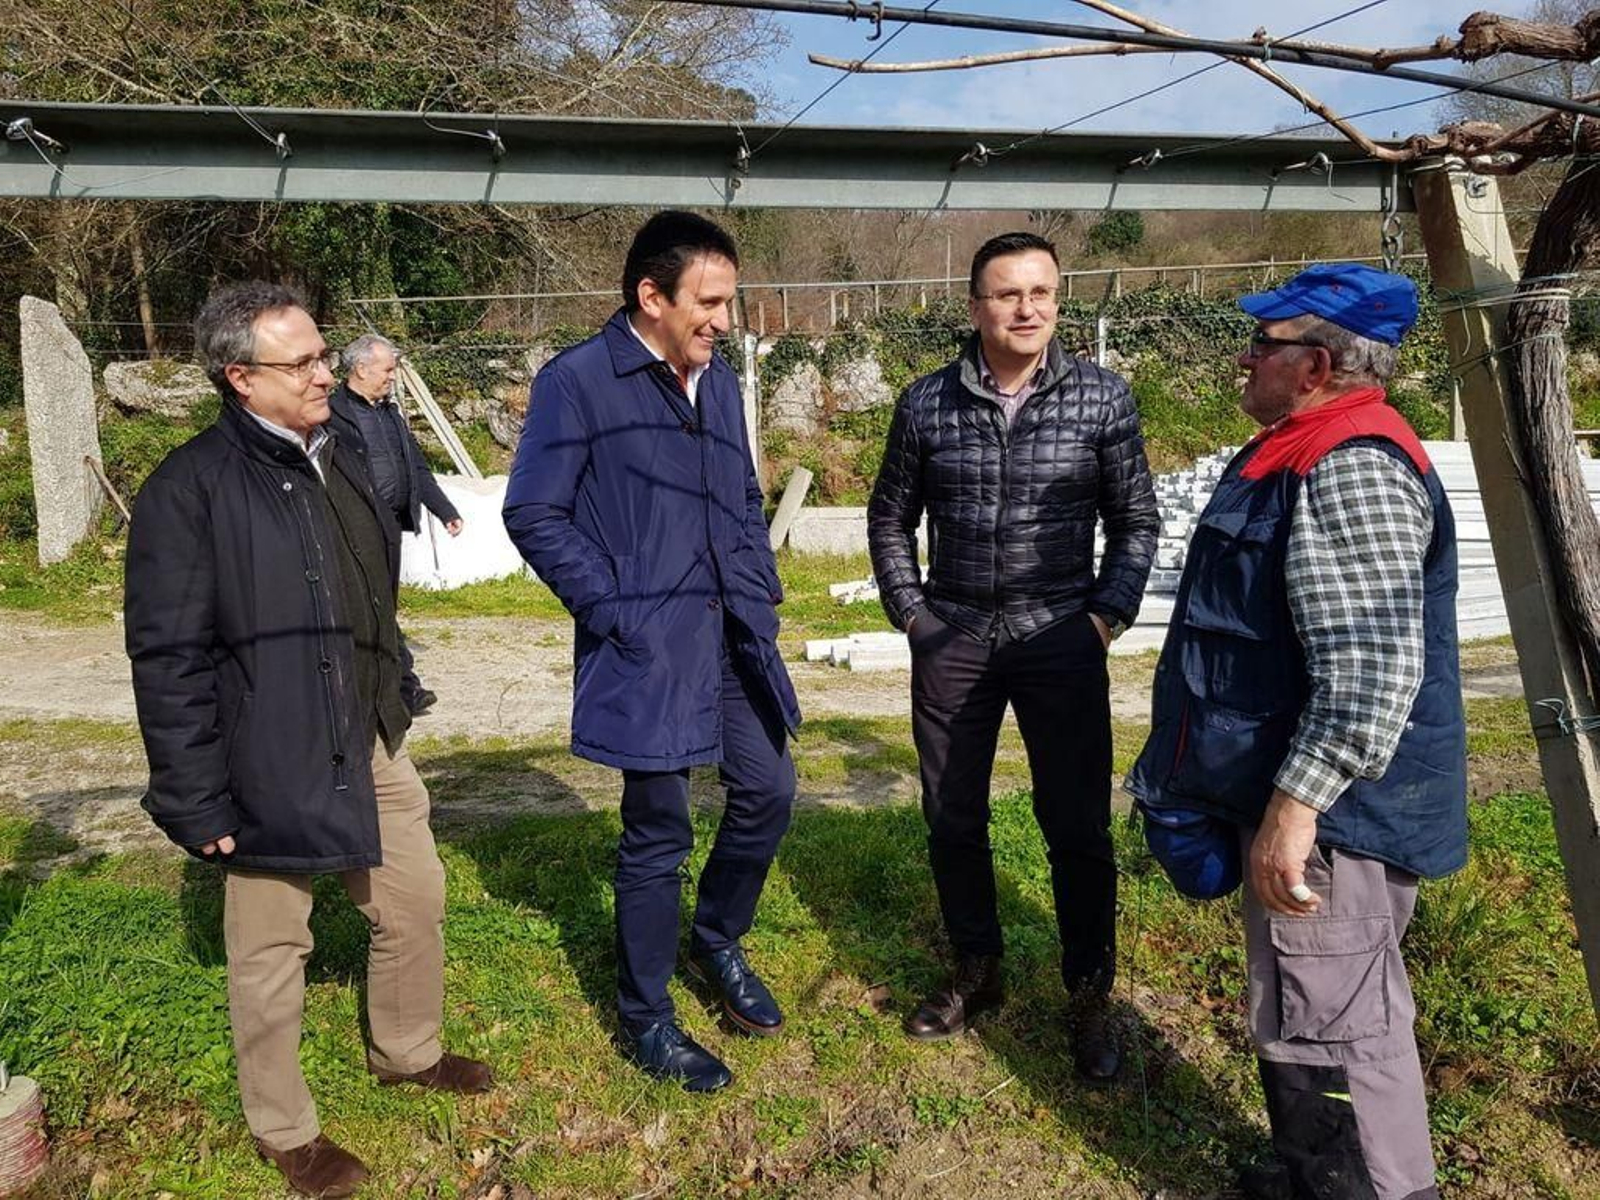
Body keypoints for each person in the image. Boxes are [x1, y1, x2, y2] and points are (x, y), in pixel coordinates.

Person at [125, 283, 492, 1199]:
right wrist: (194, 795)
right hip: (266, 753)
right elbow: (168, 657)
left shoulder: (346, 453)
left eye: (324, 355)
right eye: (303, 363)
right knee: (270, 948)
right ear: (239, 377)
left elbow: (372, 593)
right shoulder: (189, 489)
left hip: (369, 730)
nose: (326, 373)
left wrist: (395, 682)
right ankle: (284, 1129)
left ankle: (406, 1051)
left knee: (415, 897)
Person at [1126, 263, 1466, 1200]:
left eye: (1262, 344)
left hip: (1336, 817)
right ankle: (1313, 1176)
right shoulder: (1294, 448)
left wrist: (1294, 809)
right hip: (1302, 801)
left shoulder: (1349, 466)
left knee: (1344, 1022)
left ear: (1315, 366)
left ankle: (1376, 1188)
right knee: (1298, 1001)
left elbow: (1368, 671)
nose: (1246, 358)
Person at [503, 211, 800, 1094]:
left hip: (732, 627)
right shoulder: (579, 382)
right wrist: (615, 608)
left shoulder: (719, 382)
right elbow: (534, 512)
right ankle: (646, 1015)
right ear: (651, 295)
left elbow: (742, 495)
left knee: (769, 790)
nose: (724, 320)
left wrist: (760, 583)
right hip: (649, 642)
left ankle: (716, 937)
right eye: (709, 302)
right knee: (659, 829)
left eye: (728, 302)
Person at [867, 231, 1159, 1081]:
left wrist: (1103, 617)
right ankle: (977, 969)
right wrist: (915, 617)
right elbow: (890, 517)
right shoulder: (926, 403)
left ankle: (1089, 993)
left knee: (1077, 824)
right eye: (1007, 294)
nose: (1026, 309)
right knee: (953, 816)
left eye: (1040, 292)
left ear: (1057, 300)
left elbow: (1135, 521)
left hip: (1060, 634)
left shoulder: (1102, 399)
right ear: (975, 307)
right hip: (954, 635)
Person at [329, 333, 463, 716]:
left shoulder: (391, 414)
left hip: (388, 527)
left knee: (383, 606)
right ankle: (403, 687)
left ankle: (397, 686)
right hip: (352, 527)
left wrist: (444, 510)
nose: (392, 376)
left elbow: (416, 467)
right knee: (371, 607)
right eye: (387, 369)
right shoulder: (331, 414)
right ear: (361, 368)